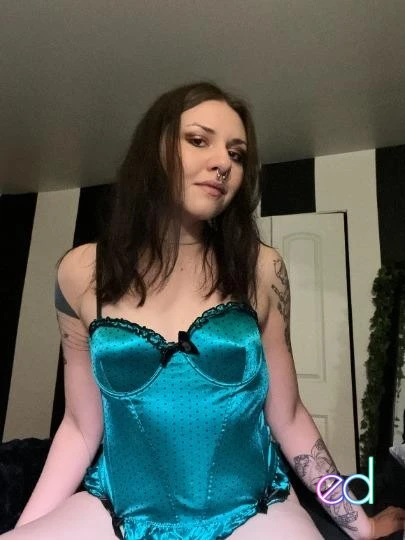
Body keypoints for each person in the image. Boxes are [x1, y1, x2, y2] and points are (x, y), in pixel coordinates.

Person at [3, 82, 404, 539]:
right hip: (120, 505)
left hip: (252, 508)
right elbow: (79, 425)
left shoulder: (261, 268)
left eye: (236, 154)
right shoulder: (79, 272)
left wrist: (360, 524)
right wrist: (26, 529)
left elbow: (289, 415)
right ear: (153, 149)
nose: (223, 163)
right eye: (198, 140)